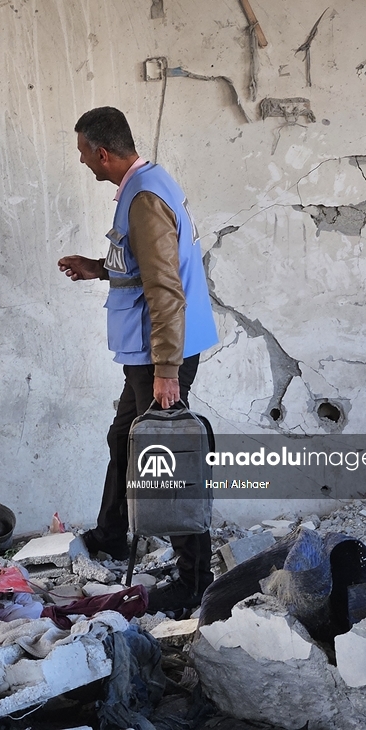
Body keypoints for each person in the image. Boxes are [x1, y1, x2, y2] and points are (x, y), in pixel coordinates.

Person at [58, 107, 219, 614]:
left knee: (165, 458)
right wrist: (97, 267)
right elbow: (144, 263)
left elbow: (165, 288)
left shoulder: (144, 198)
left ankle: (195, 580)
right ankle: (110, 534)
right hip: (151, 352)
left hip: (160, 354)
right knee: (122, 438)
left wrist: (167, 372)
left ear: (102, 152)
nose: (82, 161)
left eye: (83, 152)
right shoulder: (147, 184)